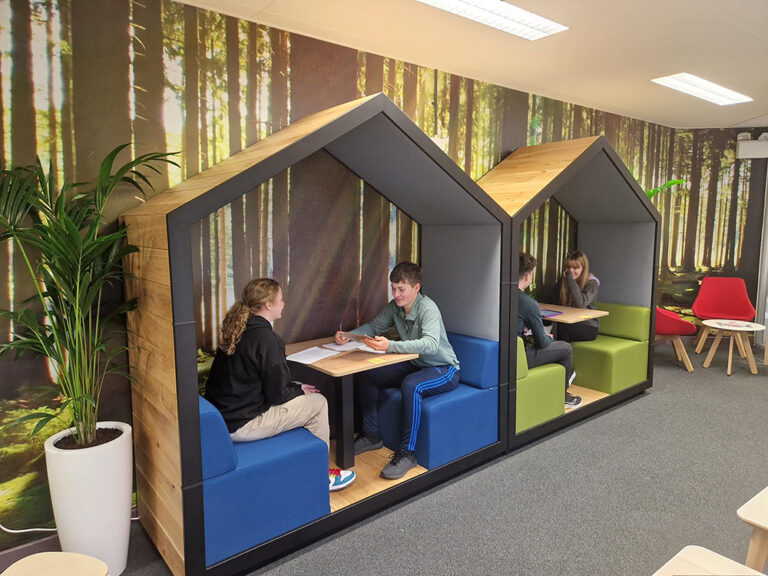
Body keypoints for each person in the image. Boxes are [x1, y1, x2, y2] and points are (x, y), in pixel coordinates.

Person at [204, 278, 355, 492]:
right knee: (318, 402)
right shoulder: (267, 338)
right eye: (281, 300)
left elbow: (261, 382)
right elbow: (277, 395)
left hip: (225, 419)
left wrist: (296, 387)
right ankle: (319, 475)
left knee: (300, 388)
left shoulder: (237, 331)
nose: (283, 304)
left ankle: (303, 462)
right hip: (243, 424)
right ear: (268, 305)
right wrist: (296, 389)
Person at [335, 262, 460, 480]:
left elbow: (430, 344)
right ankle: (372, 435)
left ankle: (407, 453)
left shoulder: (428, 308)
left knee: (411, 386)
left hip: (442, 368)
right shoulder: (395, 307)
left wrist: (390, 346)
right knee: (369, 375)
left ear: (416, 288)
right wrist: (350, 334)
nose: (396, 294)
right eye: (393, 288)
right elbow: (374, 327)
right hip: (415, 363)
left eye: (401, 289)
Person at [518, 251, 582, 408]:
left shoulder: (499, 295)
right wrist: (548, 338)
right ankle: (563, 395)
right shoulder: (529, 304)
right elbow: (542, 342)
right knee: (565, 348)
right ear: (528, 276)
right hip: (519, 358)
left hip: (502, 353)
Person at [555, 250, 600, 343]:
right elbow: (553, 300)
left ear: (583, 268)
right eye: (568, 267)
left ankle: (561, 355)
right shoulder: (564, 281)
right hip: (569, 321)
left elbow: (580, 303)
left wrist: (570, 279)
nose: (571, 271)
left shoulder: (592, 282)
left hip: (588, 326)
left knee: (563, 328)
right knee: (555, 325)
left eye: (575, 268)